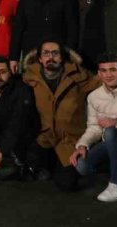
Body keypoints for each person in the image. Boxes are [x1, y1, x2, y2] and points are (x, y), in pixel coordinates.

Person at [22, 40, 100, 191]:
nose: (50, 57)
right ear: (39, 58)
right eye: (46, 53)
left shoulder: (79, 76)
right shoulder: (29, 77)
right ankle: (46, 163)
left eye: (55, 53)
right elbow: (3, 79)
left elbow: (107, 79)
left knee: (65, 183)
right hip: (44, 137)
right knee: (29, 173)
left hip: (69, 139)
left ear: (62, 57)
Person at [69, 53, 117, 202]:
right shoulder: (94, 96)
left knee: (111, 132)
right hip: (109, 144)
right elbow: (93, 127)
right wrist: (83, 144)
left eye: (113, 69)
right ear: (99, 73)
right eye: (104, 70)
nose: (108, 75)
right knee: (82, 166)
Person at [10, 0, 78, 74]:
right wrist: (14, 57)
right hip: (31, 57)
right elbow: (18, 28)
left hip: (58, 57)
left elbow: (72, 29)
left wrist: (70, 56)